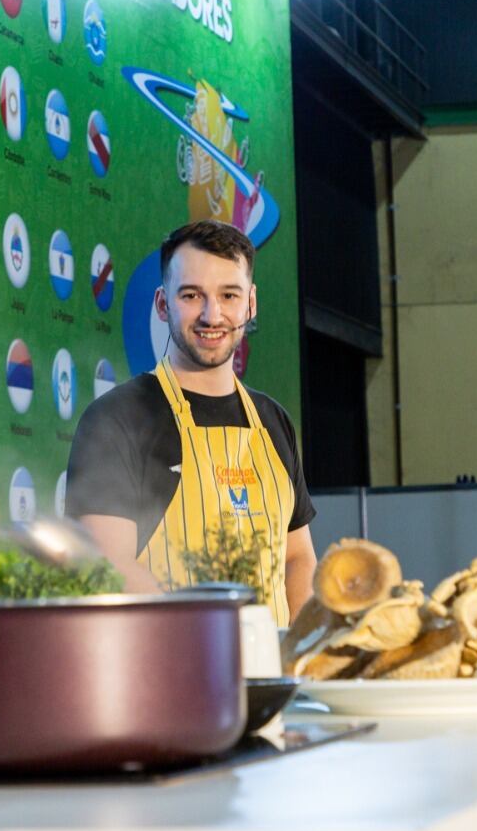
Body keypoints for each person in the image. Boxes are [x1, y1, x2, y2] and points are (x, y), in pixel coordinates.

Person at [64, 220, 316, 625]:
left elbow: (298, 556)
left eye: (228, 295)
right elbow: (106, 566)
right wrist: (203, 648)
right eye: (191, 295)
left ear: (250, 304)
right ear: (163, 304)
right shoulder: (117, 419)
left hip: (272, 678)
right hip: (167, 673)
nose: (211, 314)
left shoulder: (273, 422)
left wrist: (304, 653)